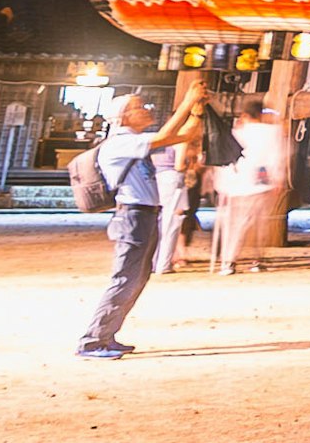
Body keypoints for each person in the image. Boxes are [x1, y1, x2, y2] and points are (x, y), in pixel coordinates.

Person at [76, 86, 211, 360]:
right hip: (133, 216)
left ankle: (106, 335)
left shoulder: (132, 141)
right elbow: (167, 136)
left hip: (145, 214)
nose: (147, 110)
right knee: (125, 277)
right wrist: (187, 101)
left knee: (137, 277)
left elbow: (183, 136)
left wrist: (196, 111)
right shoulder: (120, 142)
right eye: (141, 107)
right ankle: (92, 341)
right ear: (124, 117)